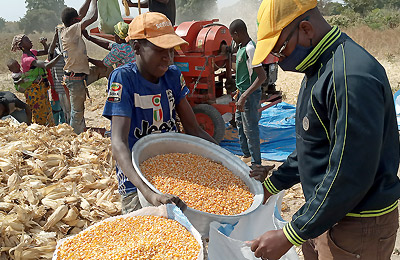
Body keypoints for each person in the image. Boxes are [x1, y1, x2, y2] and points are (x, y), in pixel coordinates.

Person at [248, 0, 400, 260]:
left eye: (280, 51)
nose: (280, 62)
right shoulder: (319, 67)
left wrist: (290, 234)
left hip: (356, 224)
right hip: (326, 213)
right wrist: (272, 185)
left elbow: (350, 172)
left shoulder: (350, 77)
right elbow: (314, 146)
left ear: (306, 29)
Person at [103, 12, 217, 214]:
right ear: (136, 47)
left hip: (173, 173)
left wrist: (232, 163)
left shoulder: (172, 75)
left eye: (171, 50)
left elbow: (193, 129)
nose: (168, 56)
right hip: (136, 181)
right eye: (159, 49)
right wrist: (148, 193)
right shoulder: (123, 79)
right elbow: (118, 142)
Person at [60, 0, 113, 134]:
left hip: (83, 75)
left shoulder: (68, 28)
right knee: (77, 112)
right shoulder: (70, 31)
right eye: (78, 20)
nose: (80, 20)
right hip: (75, 80)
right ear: (74, 21)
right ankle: (75, 136)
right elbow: (92, 17)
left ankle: (114, 96)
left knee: (107, 69)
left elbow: (82, 14)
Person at [229, 19, 267, 167]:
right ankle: (246, 156)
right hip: (241, 94)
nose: (232, 39)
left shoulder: (251, 49)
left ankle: (256, 164)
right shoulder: (240, 47)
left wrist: (244, 96)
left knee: (250, 129)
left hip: (249, 96)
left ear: (237, 34)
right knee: (239, 124)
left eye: (233, 36)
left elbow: (261, 76)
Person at [10, 35, 60, 126]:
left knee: (45, 108)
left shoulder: (31, 53)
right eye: (27, 40)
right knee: (38, 112)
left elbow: (45, 51)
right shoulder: (27, 59)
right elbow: (46, 65)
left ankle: (47, 128)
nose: (30, 41)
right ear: (22, 46)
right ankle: (39, 129)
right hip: (34, 91)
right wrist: (60, 55)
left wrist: (44, 43)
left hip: (39, 88)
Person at [48, 25, 71, 124]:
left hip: (71, 85)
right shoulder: (55, 53)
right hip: (60, 87)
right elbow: (50, 50)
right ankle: (68, 126)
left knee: (71, 110)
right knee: (66, 110)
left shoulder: (68, 50)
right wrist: (56, 35)